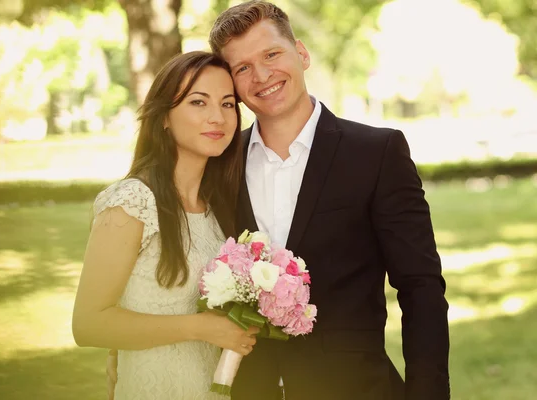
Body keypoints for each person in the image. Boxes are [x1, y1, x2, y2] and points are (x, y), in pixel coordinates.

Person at [109, 1, 450, 399]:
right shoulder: (217, 165)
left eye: (272, 54)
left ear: (301, 53)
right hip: (246, 390)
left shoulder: (377, 153)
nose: (262, 75)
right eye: (242, 68)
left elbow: (421, 287)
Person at [72, 51, 260, 400]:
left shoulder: (220, 209)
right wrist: (200, 328)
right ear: (164, 118)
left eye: (228, 104)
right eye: (198, 102)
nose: (217, 117)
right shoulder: (131, 202)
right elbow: (88, 325)